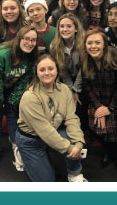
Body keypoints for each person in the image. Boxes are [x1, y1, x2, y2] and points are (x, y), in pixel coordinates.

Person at [16, 54, 86, 182]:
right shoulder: (30, 97)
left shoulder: (64, 89)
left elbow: (71, 118)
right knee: (48, 182)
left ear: (57, 70)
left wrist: (78, 143)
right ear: (36, 73)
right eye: (42, 70)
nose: (47, 73)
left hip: (52, 129)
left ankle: (74, 175)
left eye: (50, 68)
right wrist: (70, 150)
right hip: (31, 140)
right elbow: (45, 131)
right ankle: (22, 153)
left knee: (73, 138)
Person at [0, 25, 39, 169]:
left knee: (12, 113)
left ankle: (15, 146)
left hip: (12, 82)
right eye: (26, 39)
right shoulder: (2, 53)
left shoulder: (31, 55)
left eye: (33, 40)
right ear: (19, 39)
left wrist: (13, 99)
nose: (30, 43)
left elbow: (26, 79)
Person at [80, 30, 117, 168]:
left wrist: (110, 108)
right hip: (98, 101)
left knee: (114, 128)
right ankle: (107, 151)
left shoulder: (116, 56)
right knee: (97, 126)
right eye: (89, 43)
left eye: (97, 42)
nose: (93, 46)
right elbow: (87, 87)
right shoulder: (85, 59)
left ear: (104, 45)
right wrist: (99, 106)